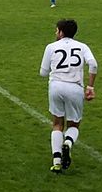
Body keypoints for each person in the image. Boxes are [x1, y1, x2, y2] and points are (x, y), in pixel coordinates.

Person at [39, 18, 98, 174]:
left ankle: (57, 161)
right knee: (73, 125)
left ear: (61, 32)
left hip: (56, 87)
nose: (55, 32)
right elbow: (93, 64)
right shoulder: (82, 46)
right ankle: (68, 143)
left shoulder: (51, 47)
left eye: (57, 30)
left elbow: (43, 73)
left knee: (57, 123)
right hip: (75, 88)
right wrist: (90, 86)